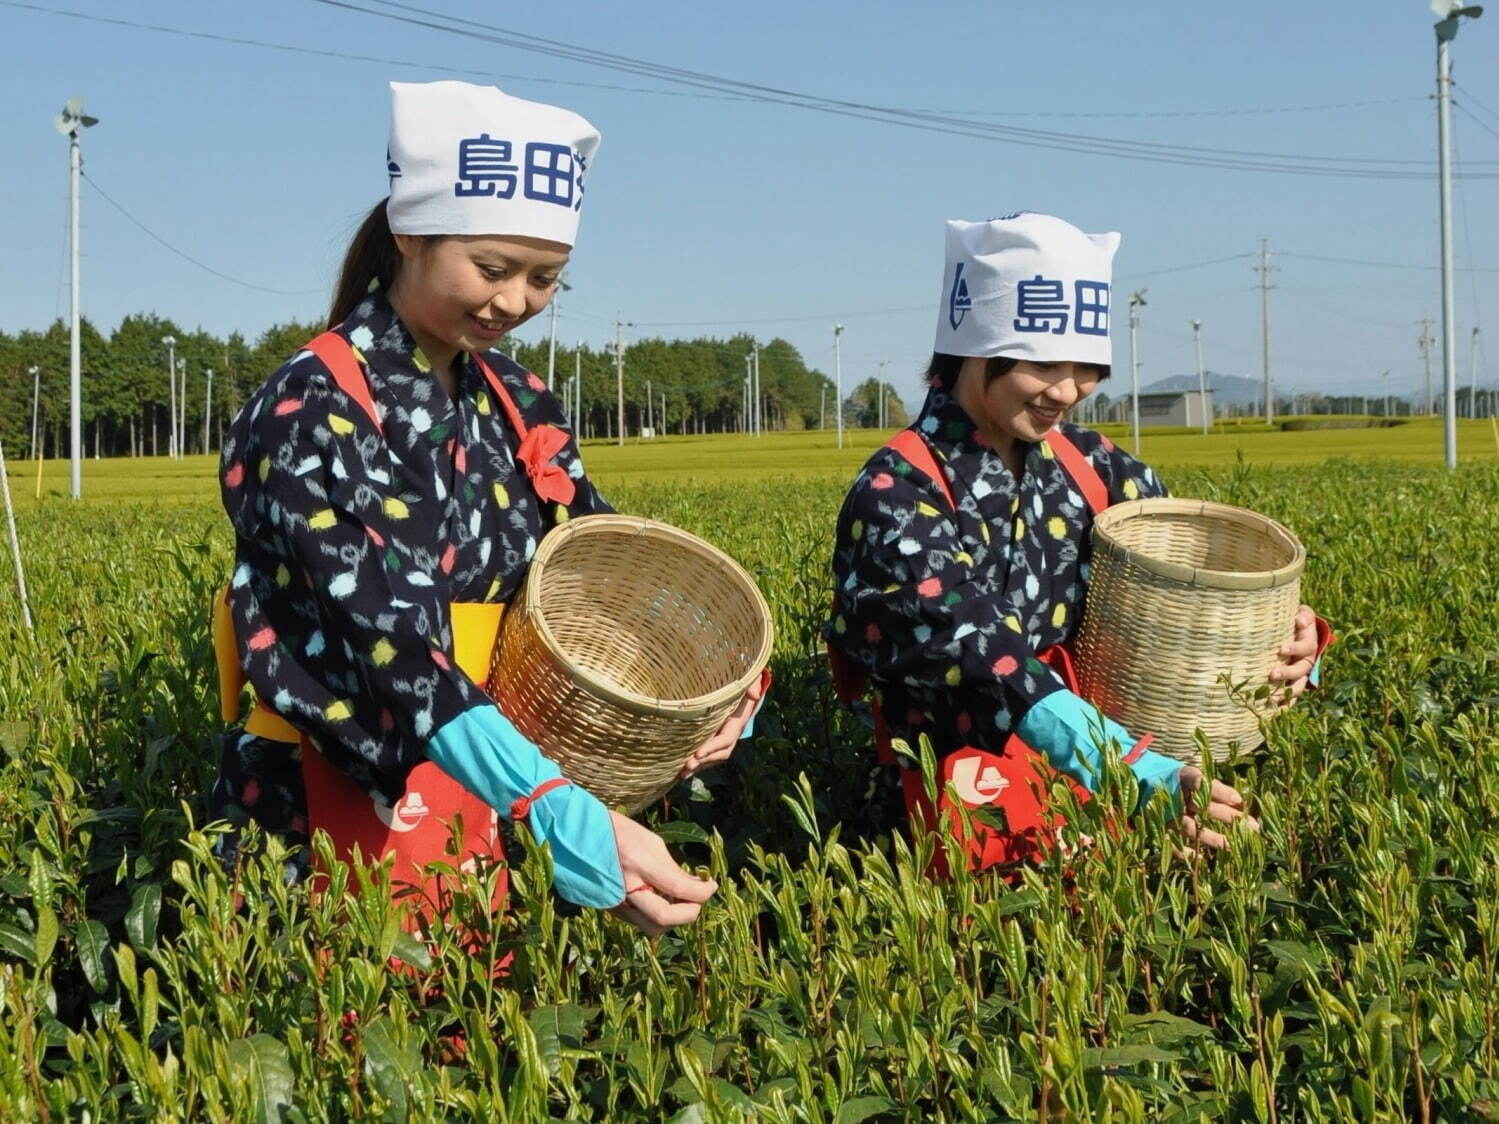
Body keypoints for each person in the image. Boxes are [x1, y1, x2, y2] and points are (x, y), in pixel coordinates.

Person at [210, 80, 762, 938]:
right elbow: (383, 642)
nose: (513, 303)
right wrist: (551, 804)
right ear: (409, 234)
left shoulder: (517, 398)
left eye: (546, 279)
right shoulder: (312, 406)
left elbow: (596, 562)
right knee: (348, 1024)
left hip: (494, 772)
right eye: (492, 269)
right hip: (341, 780)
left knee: (492, 1032)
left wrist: (721, 697)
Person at [826, 213, 1330, 872]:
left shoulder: (1099, 469)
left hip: (1097, 790)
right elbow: (974, 649)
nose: (1068, 391)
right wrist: (1130, 772)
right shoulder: (895, 491)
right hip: (954, 806)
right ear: (974, 347)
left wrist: (1285, 641)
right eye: (1041, 364)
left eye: (1087, 367)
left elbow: (1183, 597)